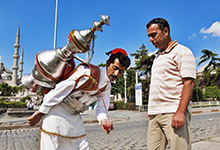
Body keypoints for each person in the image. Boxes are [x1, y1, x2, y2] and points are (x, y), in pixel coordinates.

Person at [27, 48, 131, 150]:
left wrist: (103, 120)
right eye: (115, 68)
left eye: (121, 72)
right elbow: (60, 90)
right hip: (56, 112)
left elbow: (102, 107)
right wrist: (41, 111)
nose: (116, 74)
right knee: (52, 145)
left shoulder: (107, 86)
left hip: (74, 115)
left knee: (82, 145)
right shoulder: (88, 72)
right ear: (108, 63)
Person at [146, 17, 196, 150]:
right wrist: (151, 109)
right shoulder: (157, 56)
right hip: (155, 114)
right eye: (149, 36)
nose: (150, 39)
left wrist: (180, 112)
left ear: (166, 31)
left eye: (153, 35)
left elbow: (189, 83)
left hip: (173, 112)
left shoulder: (182, 51)